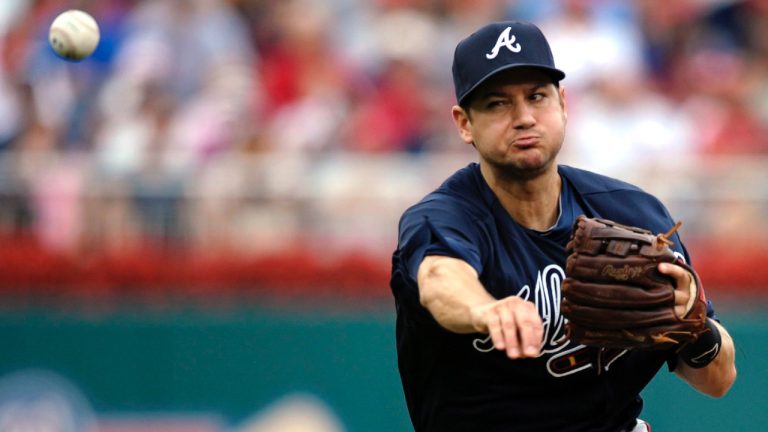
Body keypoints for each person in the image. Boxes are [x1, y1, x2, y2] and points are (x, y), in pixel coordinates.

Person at [389, 21, 737, 432]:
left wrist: (695, 330)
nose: (523, 118)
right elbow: (439, 279)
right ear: (464, 122)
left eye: (536, 97)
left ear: (563, 103)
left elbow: (718, 381)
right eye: (497, 104)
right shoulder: (447, 216)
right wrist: (486, 310)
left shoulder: (632, 214)